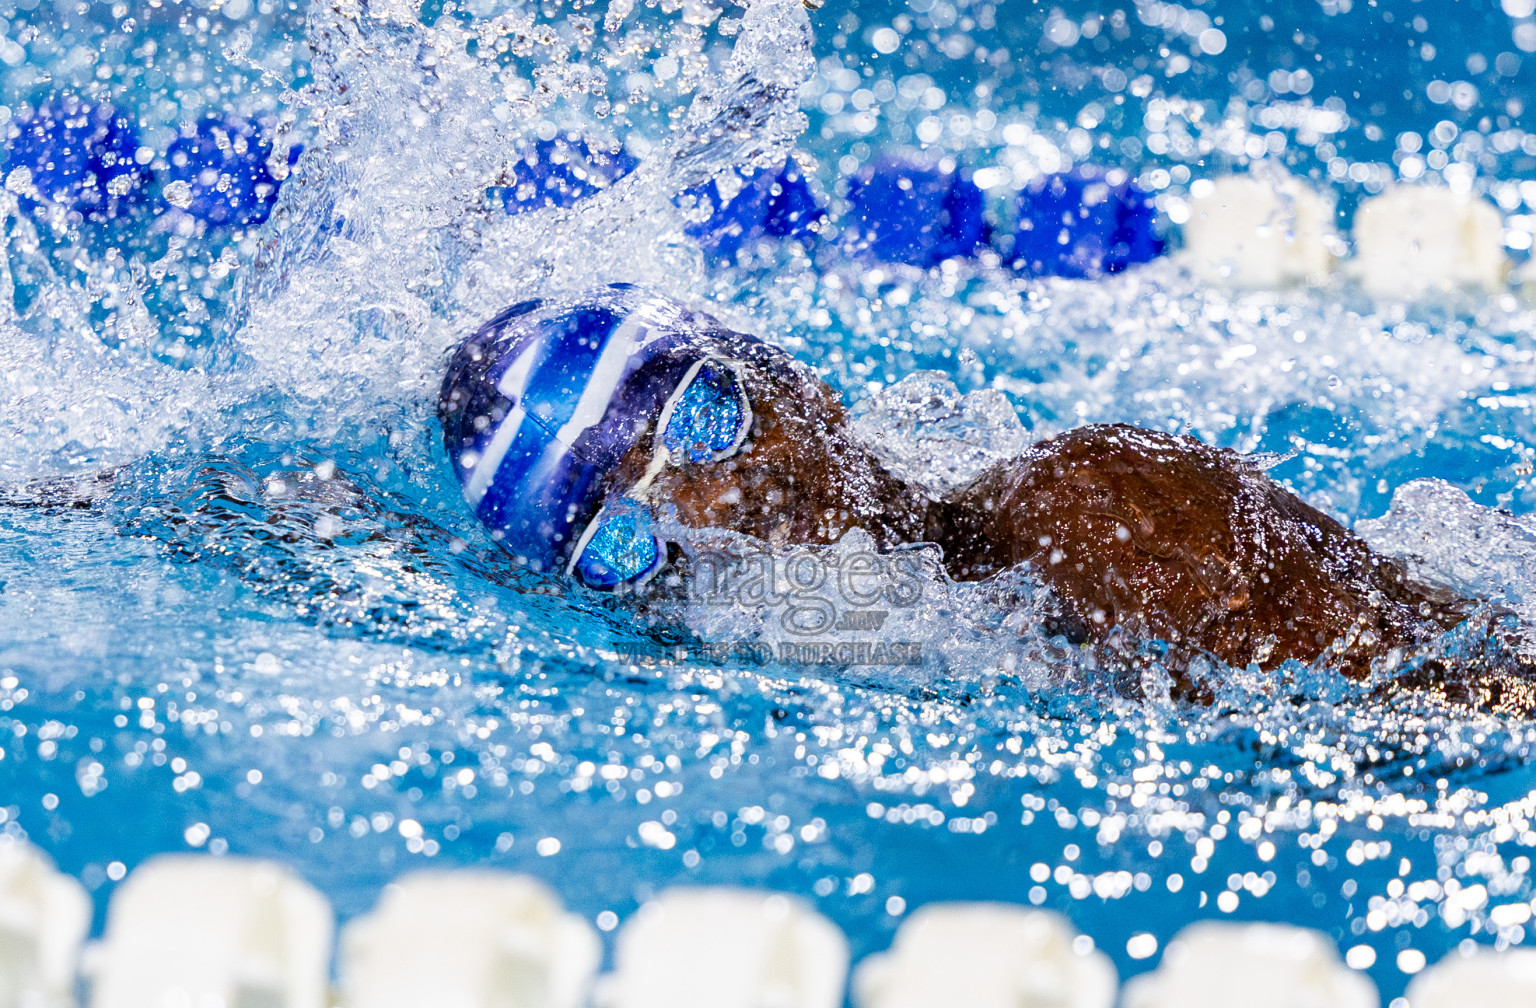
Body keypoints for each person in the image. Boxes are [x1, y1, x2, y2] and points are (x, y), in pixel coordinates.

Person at [438, 284, 1522, 705]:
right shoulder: (805, 657)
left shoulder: (1099, 513)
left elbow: (1467, 706)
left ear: (798, 381)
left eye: (702, 418)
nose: (707, 510)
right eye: (620, 538)